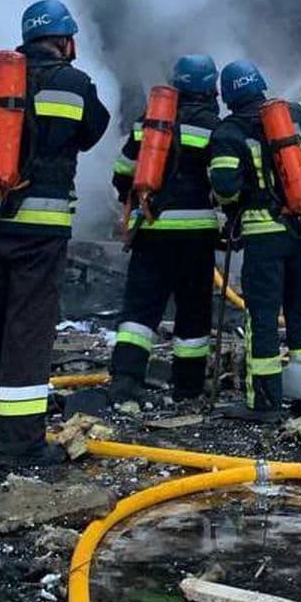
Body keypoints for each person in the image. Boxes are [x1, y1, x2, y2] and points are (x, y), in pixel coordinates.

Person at [0, 0, 110, 466]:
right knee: (26, 330)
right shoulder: (76, 85)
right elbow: (92, 132)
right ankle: (19, 444)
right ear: (63, 39)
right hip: (40, 232)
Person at [207, 61, 301, 420]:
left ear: (227, 95)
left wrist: (233, 208)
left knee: (261, 318)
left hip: (264, 238)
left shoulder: (228, 133)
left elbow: (225, 186)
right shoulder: (290, 116)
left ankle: (264, 402)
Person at [106, 54, 224, 403]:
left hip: (153, 231)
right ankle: (187, 388)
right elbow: (224, 180)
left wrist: (135, 200)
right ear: (211, 88)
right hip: (197, 237)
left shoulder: (151, 123)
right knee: (193, 311)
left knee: (140, 310)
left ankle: (125, 381)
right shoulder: (215, 129)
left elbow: (122, 170)